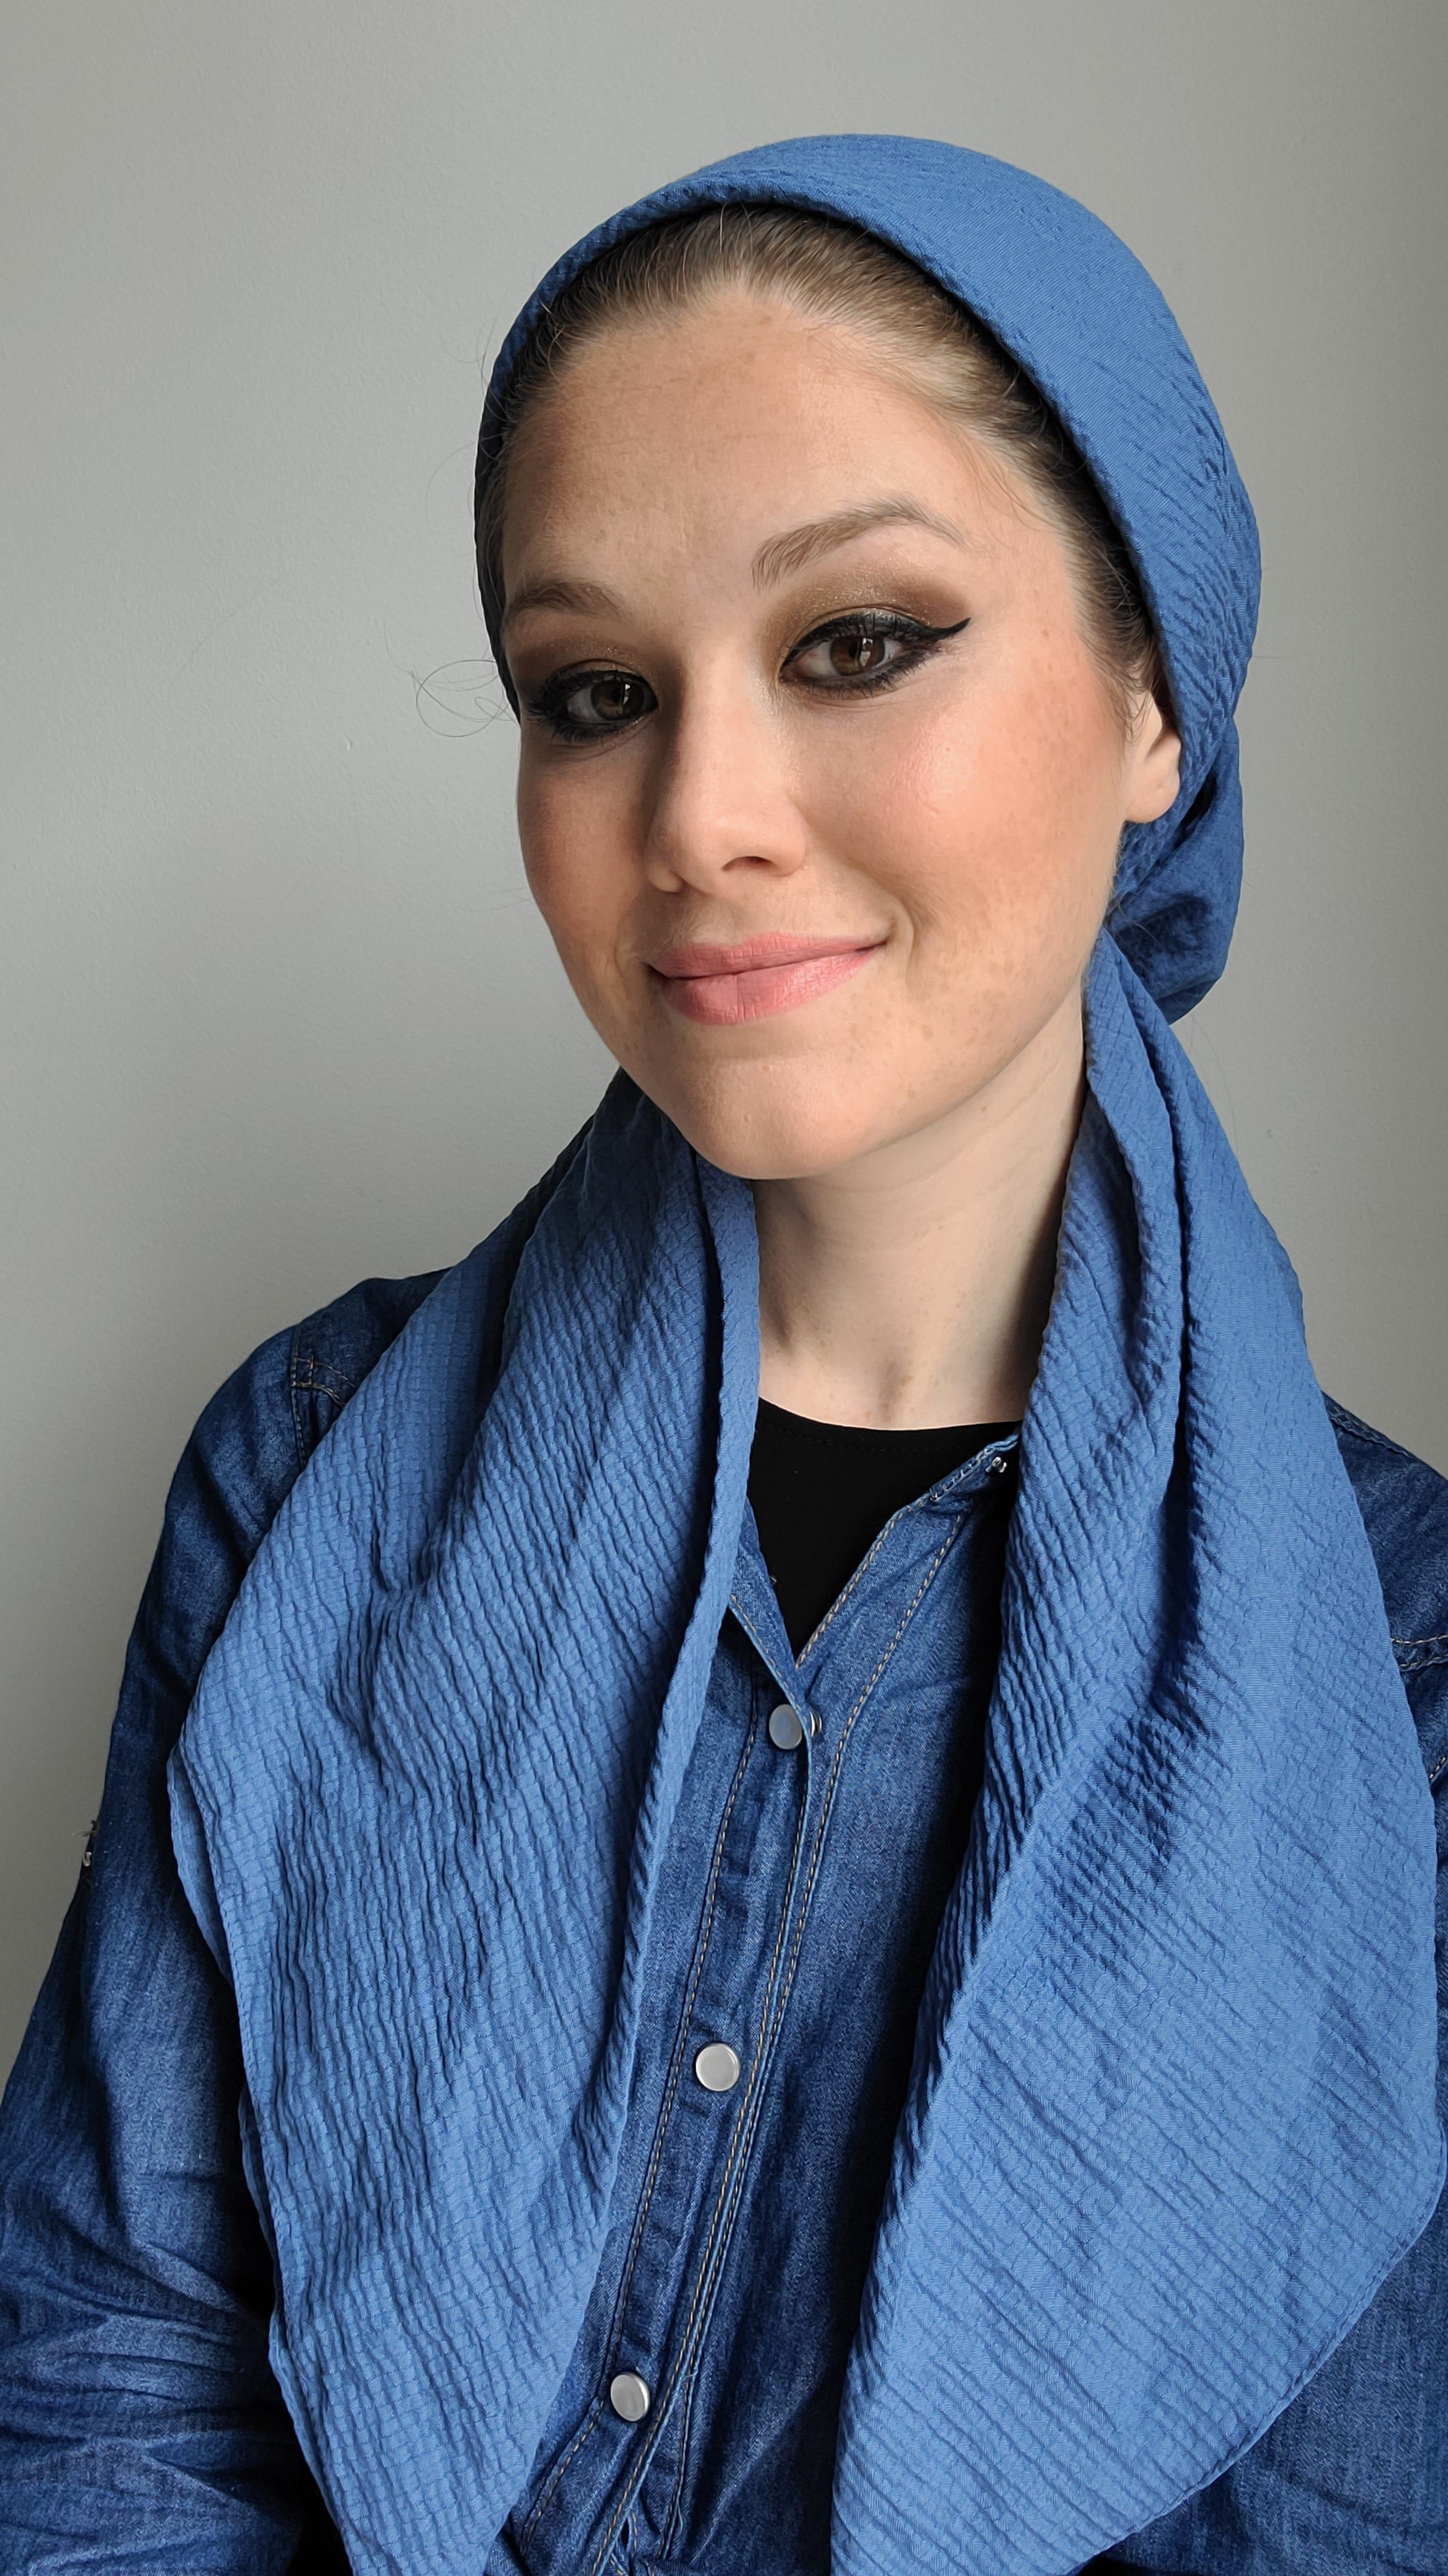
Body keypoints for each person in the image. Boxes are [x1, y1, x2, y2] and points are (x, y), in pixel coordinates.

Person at [0, 133, 1443, 2576]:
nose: (701, 816)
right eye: (593, 693)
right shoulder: (306, 1465)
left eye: (858, 641)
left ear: (1153, 707)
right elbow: (106, 2398)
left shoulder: (1403, 1666)